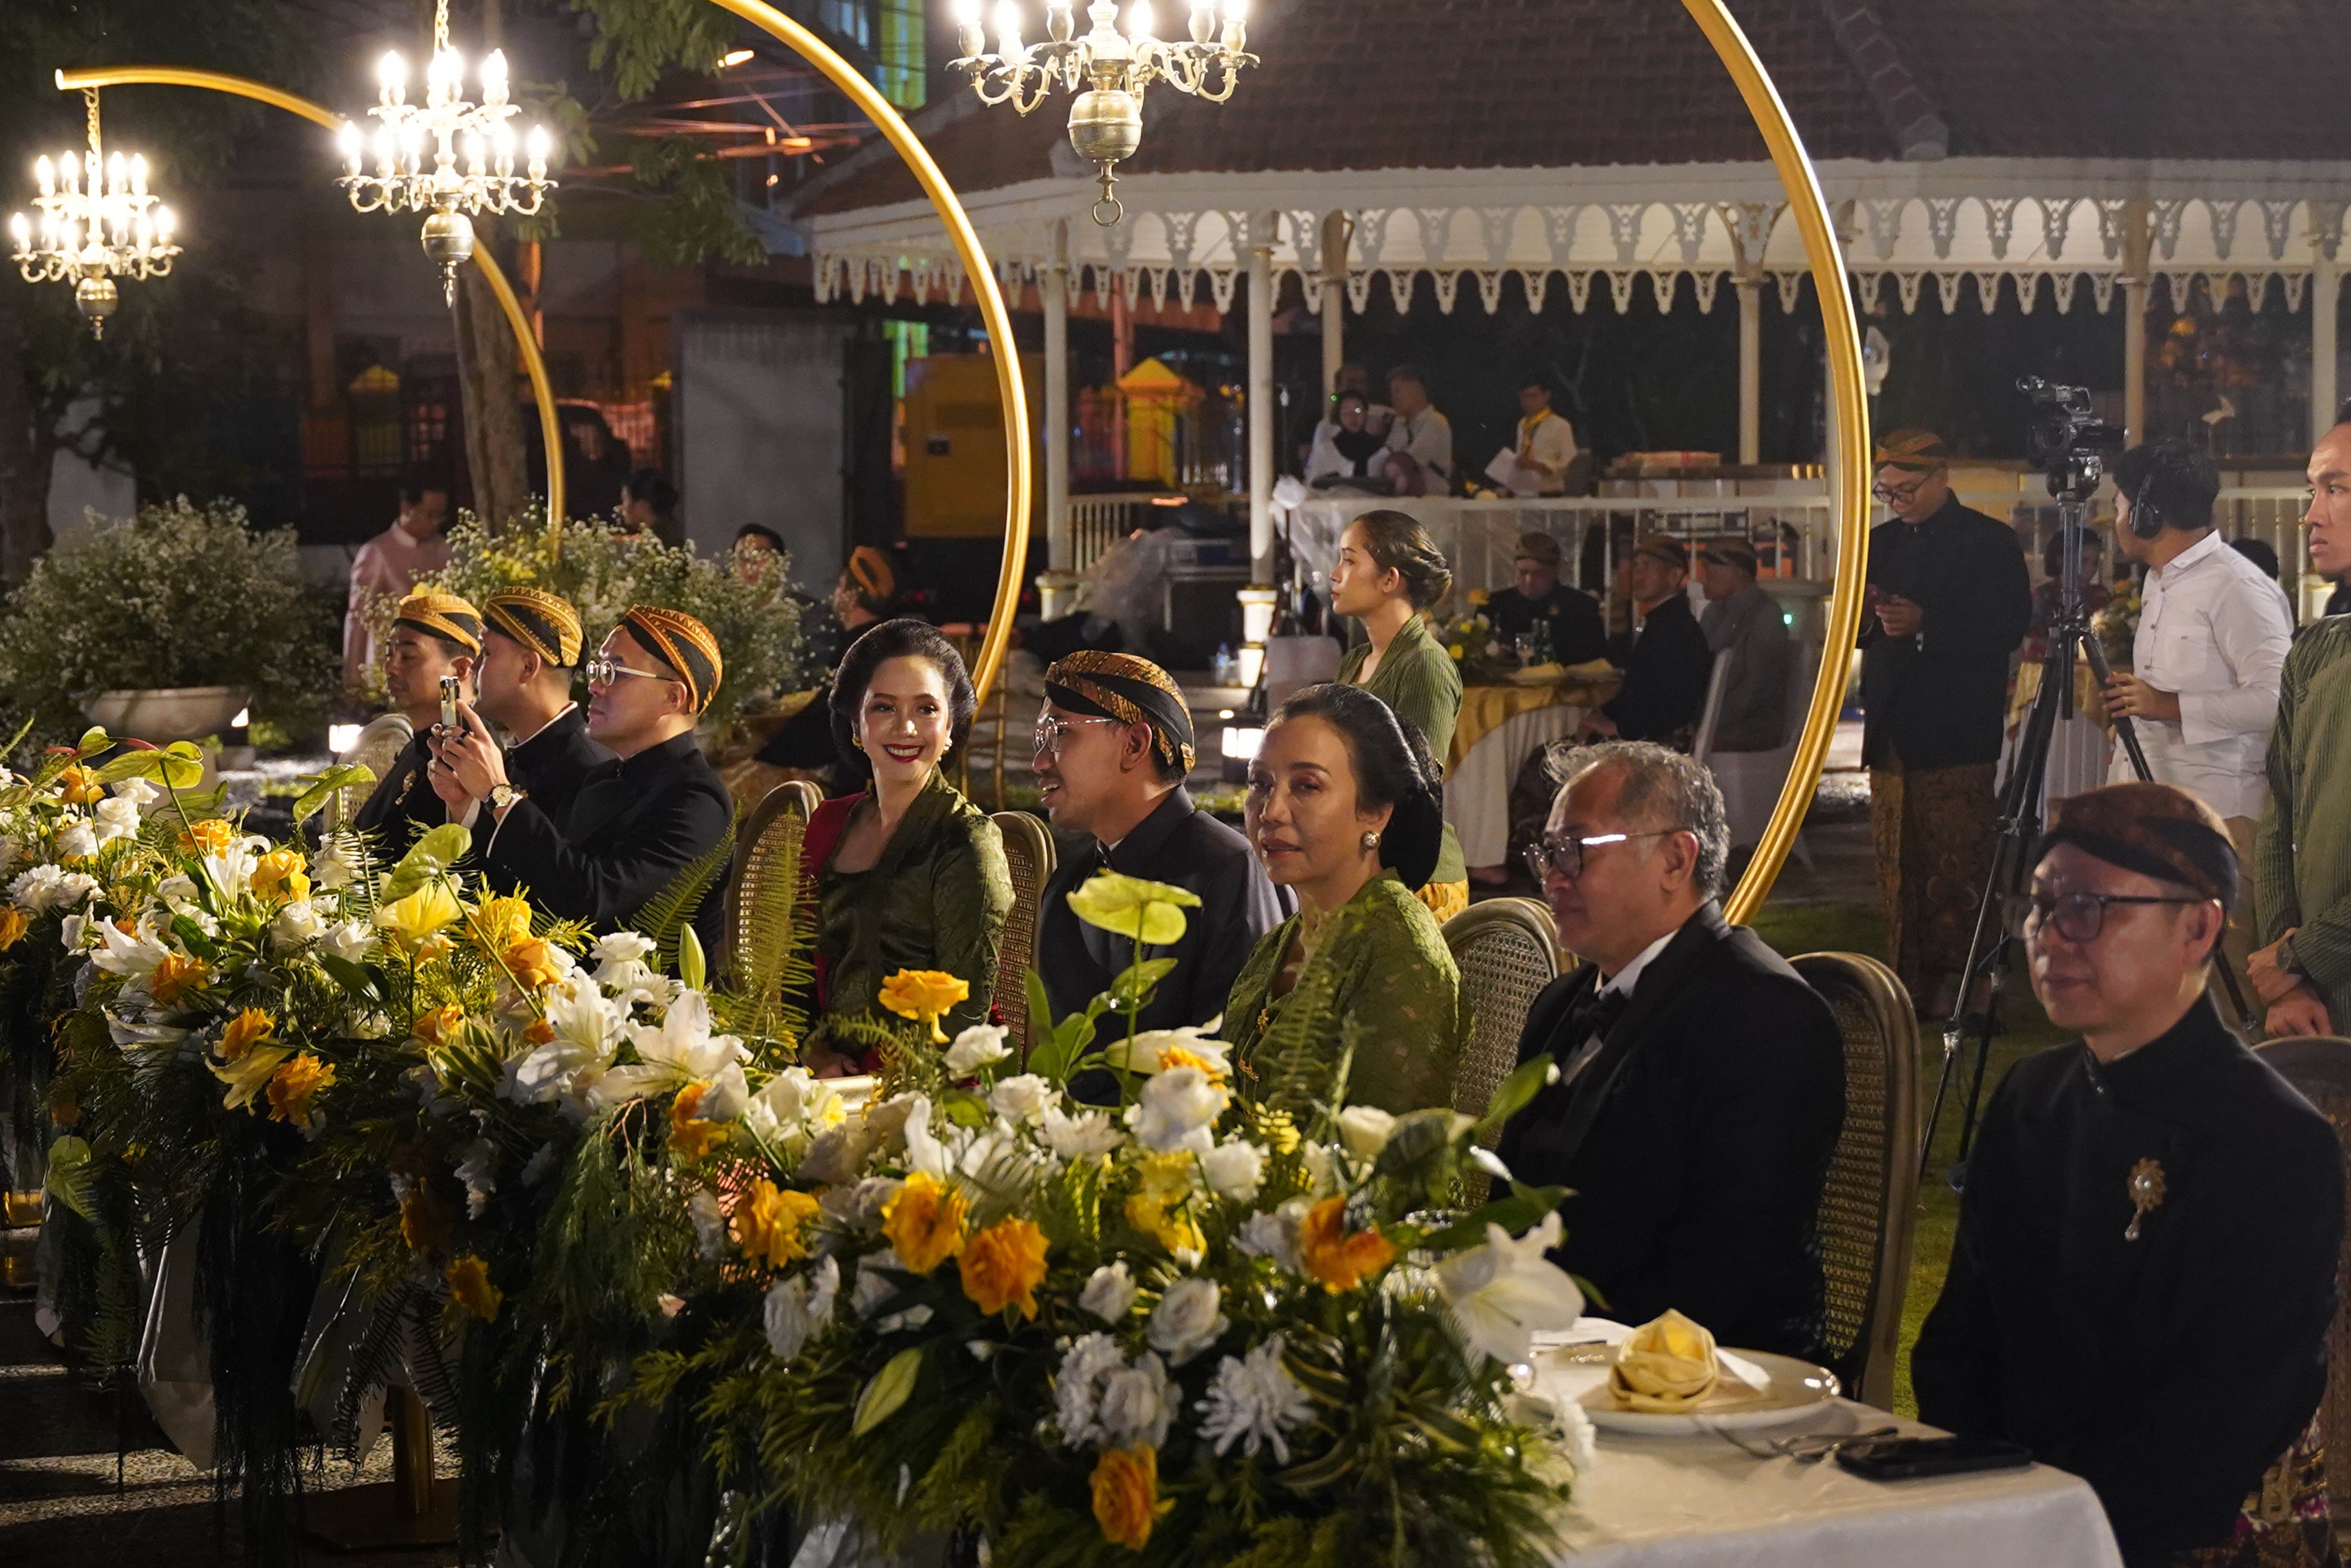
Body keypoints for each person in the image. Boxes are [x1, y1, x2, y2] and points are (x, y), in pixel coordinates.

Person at [1913, 783, 2342, 1567]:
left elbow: (2214, 1422)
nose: (2048, 936)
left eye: (2087, 906)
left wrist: (2040, 1524)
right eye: (2038, 906)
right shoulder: (2032, 1095)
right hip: (2009, 1510)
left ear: (2198, 926)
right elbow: (1958, 1342)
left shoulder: (2272, 1143)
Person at [1495, 741, 1843, 1358]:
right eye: (1547, 852)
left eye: (1575, 850)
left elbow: (1730, 1269)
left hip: (1709, 1382)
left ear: (1675, 860)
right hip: (1546, 1353)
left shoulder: (1764, 1015)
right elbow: (1512, 1209)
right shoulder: (1560, 1003)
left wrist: (1554, 1341)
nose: (1552, 876)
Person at [2100, 441, 2291, 1019]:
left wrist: (2171, 706)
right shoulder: (2163, 581)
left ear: (2146, 515)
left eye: (2118, 505)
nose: (2113, 519)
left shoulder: (2237, 587)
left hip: (2218, 823)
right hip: (2156, 813)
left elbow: (2279, 698)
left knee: (2225, 999)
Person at [1032, 652, 1281, 1080]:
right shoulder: (1071, 882)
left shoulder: (1227, 870)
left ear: (1135, 744)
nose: (1039, 761)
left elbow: (1237, 1061)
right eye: (1040, 737)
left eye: (1059, 734)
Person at [1220, 683, 1467, 1115]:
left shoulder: (1397, 949)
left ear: (1375, 812)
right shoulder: (1282, 941)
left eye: (1307, 786)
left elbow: (1382, 1155)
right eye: (1260, 783)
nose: (1271, 811)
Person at [1860, 428, 2032, 1017]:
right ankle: (1904, 982)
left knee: (1958, 863)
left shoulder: (1989, 543)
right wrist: (1873, 615)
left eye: (1905, 490)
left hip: (1954, 728)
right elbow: (1858, 627)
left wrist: (1928, 625)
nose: (1896, 502)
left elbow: (2007, 626)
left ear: (1941, 478)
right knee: (1897, 864)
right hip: (1890, 731)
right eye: (1886, 493)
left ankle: (1972, 988)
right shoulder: (1877, 542)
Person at [443, 606, 734, 951]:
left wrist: (498, 793)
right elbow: (526, 886)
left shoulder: (697, 801)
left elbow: (593, 900)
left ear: (672, 698)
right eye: (597, 669)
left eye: (614, 672)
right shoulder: (603, 777)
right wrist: (466, 808)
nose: (594, 686)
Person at [802, 619, 1012, 1067]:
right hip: (823, 1076)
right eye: (883, 708)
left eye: (926, 710)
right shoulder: (829, 824)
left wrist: (873, 1087)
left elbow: (964, 1017)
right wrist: (815, 1054)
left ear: (951, 726)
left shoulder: (966, 840)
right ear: (856, 724)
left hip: (930, 1087)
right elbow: (796, 970)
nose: (906, 728)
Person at [2253, 419, 2351, 1037]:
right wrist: (2288, 974)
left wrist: (2297, 958)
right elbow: (2279, 816)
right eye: (2312, 490)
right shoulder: (2315, 650)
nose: (2311, 515)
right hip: (2316, 1002)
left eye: (2336, 489)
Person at [1328, 510, 1470, 920]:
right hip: (1366, 863)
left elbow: (1417, 789)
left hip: (1417, 876)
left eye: (1350, 560)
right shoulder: (1355, 661)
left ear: (1390, 579)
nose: (1336, 574)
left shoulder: (1424, 664)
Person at [426, 589, 610, 854]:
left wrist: (497, 793)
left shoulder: (592, 770)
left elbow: (562, 885)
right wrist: (462, 805)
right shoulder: (512, 758)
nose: (474, 667)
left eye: (487, 653)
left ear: (528, 668)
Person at [352, 589, 481, 852]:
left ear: (460, 670)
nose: (391, 667)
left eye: (408, 657)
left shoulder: (474, 755)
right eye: (389, 653)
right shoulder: (419, 745)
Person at [754, 546, 900, 776]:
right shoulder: (877, 644)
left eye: (841, 585)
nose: (836, 593)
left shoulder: (859, 651)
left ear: (852, 595)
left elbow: (827, 721)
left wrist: (768, 751)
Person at [1578, 537, 1712, 746]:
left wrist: (1620, 728)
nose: (1638, 575)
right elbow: (1640, 691)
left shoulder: (1674, 629)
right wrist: (1604, 713)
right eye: (1637, 567)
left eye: (1647, 567)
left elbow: (1676, 705)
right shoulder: (1662, 622)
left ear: (1675, 575)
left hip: (1654, 745)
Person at [343, 476, 452, 686]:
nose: (436, 523)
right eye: (430, 514)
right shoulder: (377, 552)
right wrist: (354, 681)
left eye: (441, 516)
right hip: (392, 671)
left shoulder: (446, 550)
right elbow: (358, 619)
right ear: (406, 508)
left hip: (439, 672)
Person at [1694, 537, 1791, 753]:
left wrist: (1705, 726)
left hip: (1747, 733)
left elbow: (1757, 690)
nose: (1702, 578)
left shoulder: (1766, 616)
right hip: (1713, 725)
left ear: (1737, 571)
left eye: (1709, 569)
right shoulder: (1713, 612)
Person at [1483, 531, 1607, 666]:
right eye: (1523, 573)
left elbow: (1596, 665)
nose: (1529, 582)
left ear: (1556, 571)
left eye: (1538, 574)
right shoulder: (1495, 605)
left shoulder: (1581, 607)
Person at [1382, 365, 1452, 496]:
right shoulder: (1400, 424)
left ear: (1418, 390)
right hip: (1404, 502)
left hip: (1433, 502)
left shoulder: (1436, 422)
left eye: (1398, 391)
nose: (1394, 398)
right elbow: (1387, 457)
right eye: (1392, 393)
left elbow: (1408, 464)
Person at [1303, 390, 1391, 491]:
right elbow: (1310, 486)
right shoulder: (1325, 450)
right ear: (1339, 416)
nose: (1352, 417)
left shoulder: (1382, 452)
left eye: (1358, 411)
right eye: (1346, 412)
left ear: (1366, 413)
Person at [1510, 378, 1579, 496]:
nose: (1528, 402)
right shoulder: (1523, 424)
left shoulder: (1560, 425)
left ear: (1546, 396)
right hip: (1525, 493)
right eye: (1524, 397)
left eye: (1533, 397)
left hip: (1550, 492)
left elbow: (1570, 463)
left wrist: (1540, 467)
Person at [620, 467, 681, 544]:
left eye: (625, 500)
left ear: (643, 504)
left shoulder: (652, 545)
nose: (623, 508)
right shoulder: (672, 533)